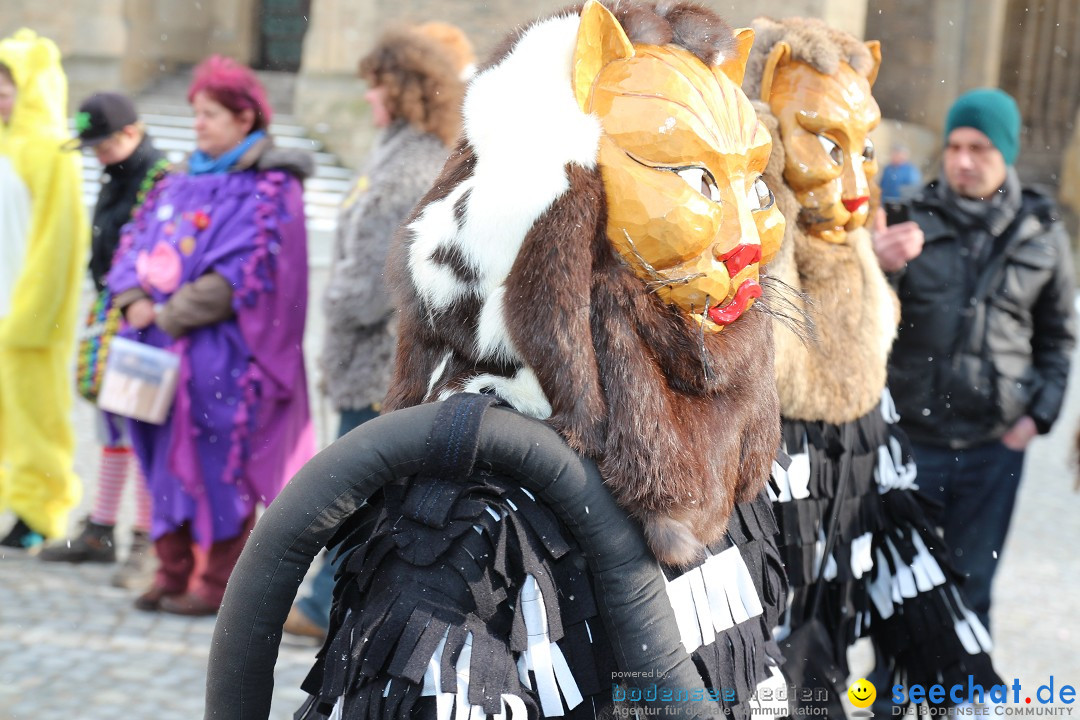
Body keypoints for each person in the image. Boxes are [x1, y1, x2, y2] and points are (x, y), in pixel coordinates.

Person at [292, 2, 792, 717]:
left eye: (753, 186)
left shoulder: (729, 473)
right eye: (697, 182)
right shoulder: (471, 524)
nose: (749, 241)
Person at [745, 19, 1000, 715]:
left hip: (818, 662)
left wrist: (961, 675)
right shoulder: (708, 332)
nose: (858, 191)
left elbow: (892, 519)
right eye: (826, 145)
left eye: (863, 147)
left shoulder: (861, 336)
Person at [285, 23, 473, 641]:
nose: (365, 97)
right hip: (365, 352)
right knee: (358, 481)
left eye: (374, 86)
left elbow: (375, 283)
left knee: (354, 486)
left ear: (400, 89)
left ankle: (325, 604)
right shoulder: (394, 152)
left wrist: (337, 301)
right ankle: (330, 600)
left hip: (381, 356)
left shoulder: (410, 165)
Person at [108, 55, 315, 616]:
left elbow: (241, 276)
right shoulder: (178, 182)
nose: (197, 124)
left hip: (220, 355)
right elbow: (132, 246)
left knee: (219, 461)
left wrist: (166, 313)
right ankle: (171, 570)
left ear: (245, 117)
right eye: (195, 113)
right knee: (158, 457)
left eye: (210, 114)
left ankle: (219, 580)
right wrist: (133, 300)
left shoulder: (270, 189)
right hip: (155, 353)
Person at [874, 87, 1076, 634]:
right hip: (912, 444)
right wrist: (879, 267)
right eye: (955, 146)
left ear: (1006, 152)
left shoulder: (1042, 233)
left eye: (979, 148)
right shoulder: (906, 218)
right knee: (900, 591)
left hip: (993, 449)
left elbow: (1058, 339)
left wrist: (1038, 417)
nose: (963, 161)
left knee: (971, 592)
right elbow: (867, 323)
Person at [38, 92, 169, 590]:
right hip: (112, 308)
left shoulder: (158, 176)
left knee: (139, 426)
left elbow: (152, 250)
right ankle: (101, 525)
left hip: (141, 317)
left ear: (130, 133)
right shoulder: (118, 172)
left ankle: (143, 537)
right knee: (111, 422)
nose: (96, 154)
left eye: (102, 145)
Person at [0, 30, 88, 549]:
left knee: (36, 415)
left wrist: (33, 312)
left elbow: (60, 240)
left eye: (10, 84)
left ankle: (38, 509)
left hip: (25, 307)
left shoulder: (53, 150)